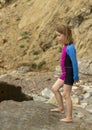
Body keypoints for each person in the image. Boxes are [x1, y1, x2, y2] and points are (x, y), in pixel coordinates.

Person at [51, 25, 79, 123]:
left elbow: (74, 62)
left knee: (66, 94)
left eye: (59, 35)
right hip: (64, 73)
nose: (57, 38)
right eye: (56, 36)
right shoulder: (65, 46)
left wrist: (75, 76)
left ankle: (69, 117)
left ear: (65, 35)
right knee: (54, 88)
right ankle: (61, 108)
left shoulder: (70, 48)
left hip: (69, 73)